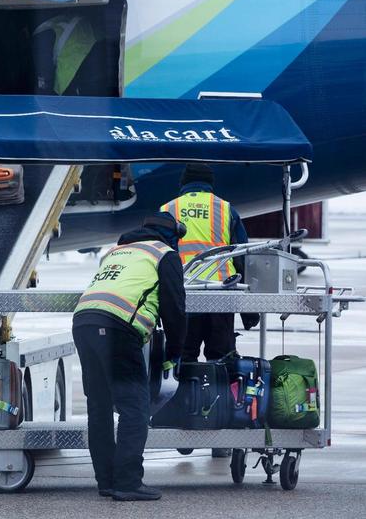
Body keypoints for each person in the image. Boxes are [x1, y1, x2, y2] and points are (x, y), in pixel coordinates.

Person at [72, 212, 187, 501]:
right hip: (118, 330)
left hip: (84, 322)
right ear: (173, 234)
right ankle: (127, 482)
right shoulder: (164, 254)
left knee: (99, 408)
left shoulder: (117, 251)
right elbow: (175, 309)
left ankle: (107, 481)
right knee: (135, 409)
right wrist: (175, 352)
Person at [162, 163, 253, 458]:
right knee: (222, 360)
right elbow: (243, 257)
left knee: (183, 359)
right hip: (220, 294)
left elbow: (156, 252)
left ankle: (185, 428)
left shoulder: (169, 208)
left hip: (184, 296)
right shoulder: (225, 209)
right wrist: (249, 309)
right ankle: (221, 436)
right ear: (210, 184)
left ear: (184, 183)